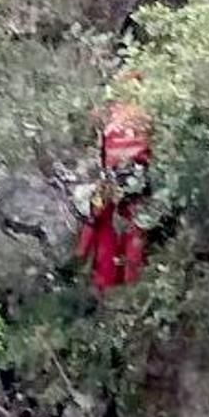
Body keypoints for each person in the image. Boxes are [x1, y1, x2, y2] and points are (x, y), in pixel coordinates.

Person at [76, 95, 152, 292]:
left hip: (114, 178)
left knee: (98, 220)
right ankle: (129, 282)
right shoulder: (144, 111)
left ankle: (100, 278)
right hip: (136, 176)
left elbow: (102, 149)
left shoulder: (111, 113)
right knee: (135, 227)